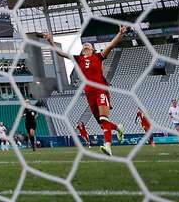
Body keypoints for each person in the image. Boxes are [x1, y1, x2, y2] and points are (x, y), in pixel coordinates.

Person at [43, 26, 128, 156]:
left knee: (104, 119)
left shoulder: (99, 57)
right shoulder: (79, 59)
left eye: (88, 45)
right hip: (89, 94)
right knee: (101, 123)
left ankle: (108, 146)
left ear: (93, 49)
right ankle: (118, 128)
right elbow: (60, 53)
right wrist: (50, 41)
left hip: (100, 90)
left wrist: (120, 34)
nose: (85, 46)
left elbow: (110, 46)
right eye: (84, 46)